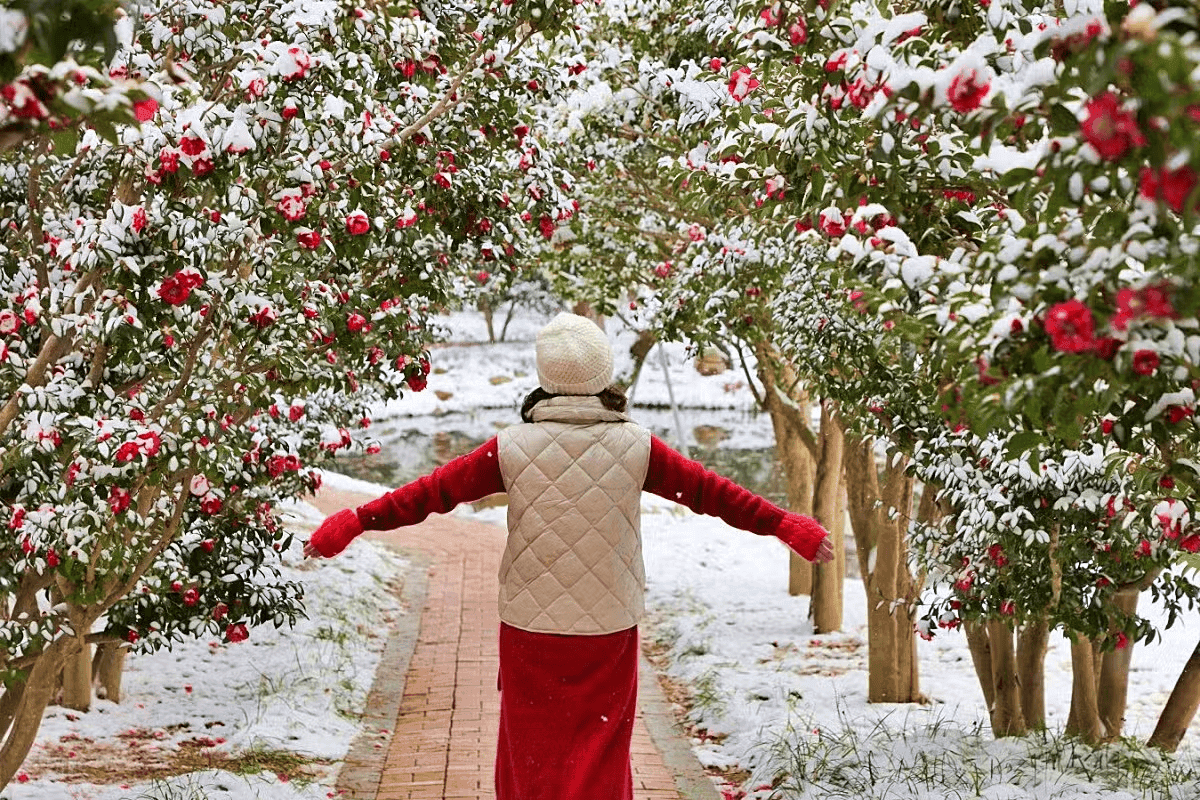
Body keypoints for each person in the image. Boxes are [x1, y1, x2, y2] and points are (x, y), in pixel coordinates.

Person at [303, 312, 834, 800]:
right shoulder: (638, 447)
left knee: (528, 754)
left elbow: (428, 495)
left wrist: (355, 521)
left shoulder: (510, 447)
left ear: (546, 377)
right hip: (608, 627)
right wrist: (784, 524)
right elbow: (714, 494)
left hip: (531, 627)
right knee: (600, 754)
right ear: (604, 375)